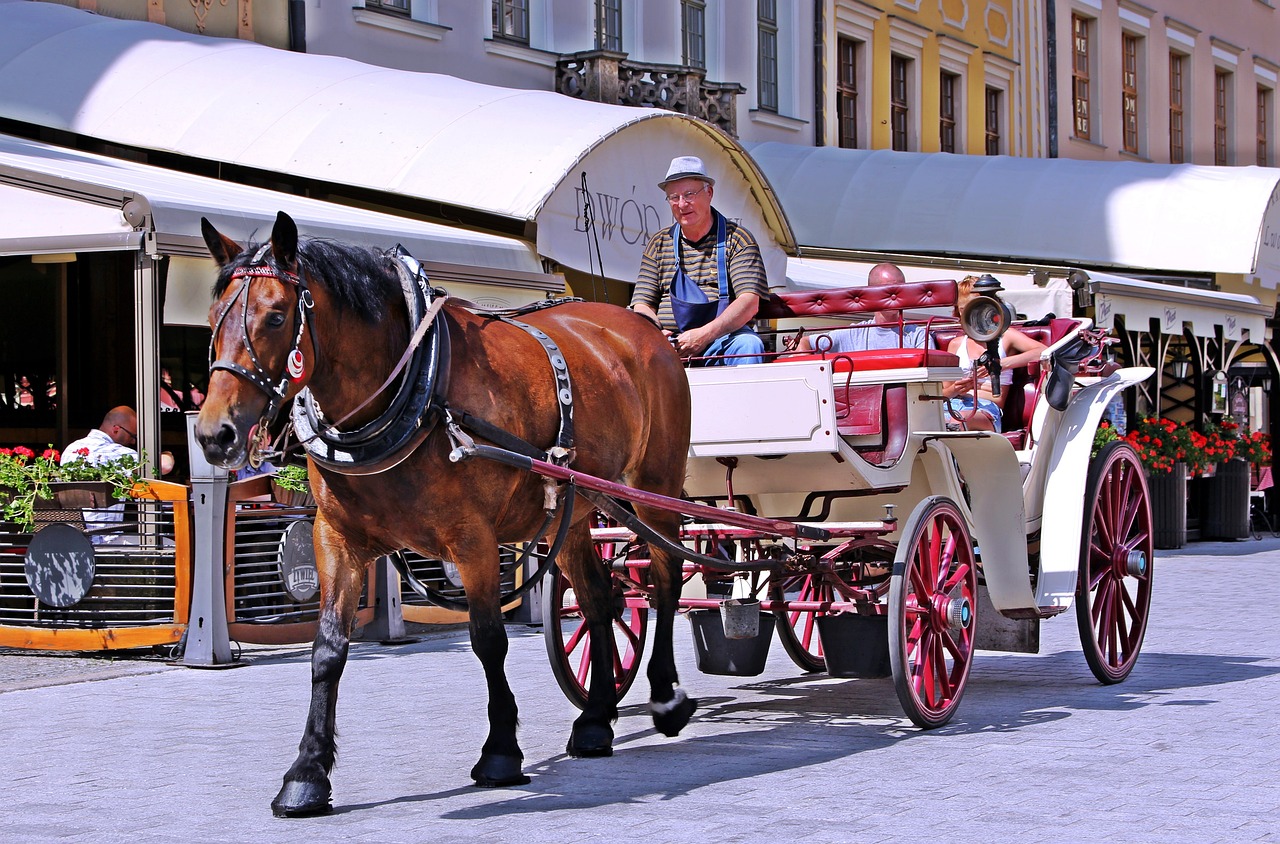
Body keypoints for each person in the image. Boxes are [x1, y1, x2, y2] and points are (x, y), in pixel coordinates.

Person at [631, 155, 768, 366]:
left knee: (749, 345)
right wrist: (657, 333)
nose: (682, 204)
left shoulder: (738, 239)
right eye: (673, 197)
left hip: (723, 342)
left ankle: (743, 399)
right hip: (670, 347)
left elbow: (749, 302)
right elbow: (642, 304)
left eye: (689, 194)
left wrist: (704, 335)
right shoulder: (659, 243)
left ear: (709, 193)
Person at [941, 276, 1046, 432]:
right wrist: (958, 388)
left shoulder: (1006, 336)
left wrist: (1000, 364)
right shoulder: (956, 344)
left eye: (975, 310)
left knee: (957, 420)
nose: (970, 317)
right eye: (963, 310)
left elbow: (1043, 351)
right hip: (952, 405)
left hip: (986, 409)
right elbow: (945, 392)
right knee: (932, 420)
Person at [797, 263, 934, 353]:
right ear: (871, 292)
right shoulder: (853, 334)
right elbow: (806, 342)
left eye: (900, 289)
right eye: (888, 289)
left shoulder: (918, 335)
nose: (895, 295)